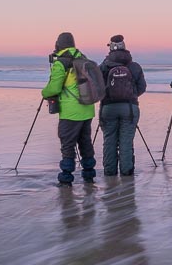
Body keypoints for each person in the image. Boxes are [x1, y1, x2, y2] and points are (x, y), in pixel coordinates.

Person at [42, 32, 97, 185]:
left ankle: (66, 177)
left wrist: (44, 93)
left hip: (70, 112)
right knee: (85, 141)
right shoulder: (83, 59)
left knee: (67, 143)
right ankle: (89, 174)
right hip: (87, 108)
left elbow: (54, 88)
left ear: (58, 45)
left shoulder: (61, 63)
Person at [99, 34, 147, 176]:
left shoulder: (103, 66)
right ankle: (126, 172)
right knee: (126, 140)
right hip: (129, 108)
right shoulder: (134, 66)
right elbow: (142, 87)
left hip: (108, 108)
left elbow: (96, 86)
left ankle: (110, 172)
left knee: (109, 139)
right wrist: (130, 96)